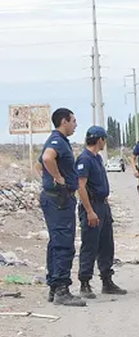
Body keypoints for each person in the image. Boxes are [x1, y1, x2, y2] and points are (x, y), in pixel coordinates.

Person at [39, 108, 85, 306]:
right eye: (73, 121)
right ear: (64, 121)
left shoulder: (58, 141)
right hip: (59, 200)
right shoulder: (57, 140)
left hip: (56, 199)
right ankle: (61, 290)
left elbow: (40, 165)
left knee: (56, 242)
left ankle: (53, 286)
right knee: (63, 244)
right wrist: (58, 178)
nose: (75, 124)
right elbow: (47, 159)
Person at [76, 126, 127, 298]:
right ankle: (84, 283)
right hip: (92, 206)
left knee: (106, 245)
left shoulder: (96, 158)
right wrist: (90, 211)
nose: (105, 142)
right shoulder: (85, 159)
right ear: (100, 140)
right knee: (90, 244)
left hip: (103, 206)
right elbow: (80, 186)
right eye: (104, 139)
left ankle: (107, 280)